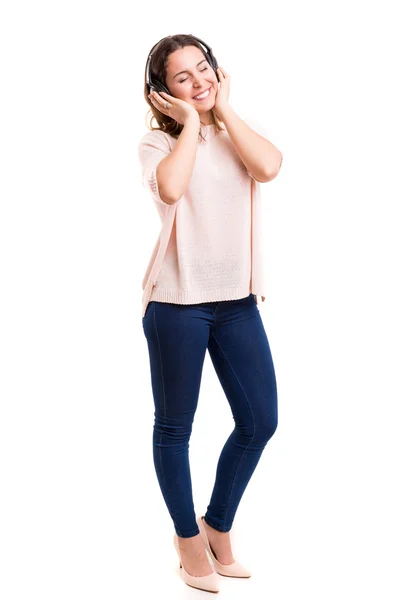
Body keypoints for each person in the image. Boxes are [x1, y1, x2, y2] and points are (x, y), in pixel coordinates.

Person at [139, 34, 282, 593]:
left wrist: (220, 109)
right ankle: (186, 540)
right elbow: (171, 190)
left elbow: (269, 167)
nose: (199, 82)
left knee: (260, 420)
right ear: (161, 93)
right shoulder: (156, 145)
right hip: (176, 305)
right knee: (175, 428)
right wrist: (191, 126)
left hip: (237, 304)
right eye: (183, 78)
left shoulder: (233, 132)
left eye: (205, 70)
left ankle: (216, 525)